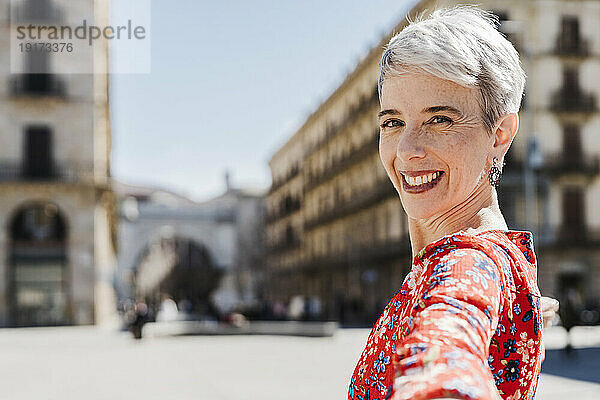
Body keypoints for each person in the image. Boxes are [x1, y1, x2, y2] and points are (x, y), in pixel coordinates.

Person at [347, 7, 557, 400]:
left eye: (439, 119)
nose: (407, 151)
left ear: (500, 134)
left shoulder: (468, 262)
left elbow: (446, 348)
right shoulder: (498, 262)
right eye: (392, 122)